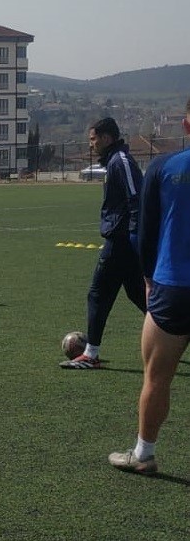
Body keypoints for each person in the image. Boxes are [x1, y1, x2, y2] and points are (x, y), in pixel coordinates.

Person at [108, 98, 190, 474]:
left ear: (185, 125)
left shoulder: (163, 167)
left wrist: (147, 279)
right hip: (171, 284)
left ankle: (143, 454)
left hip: (172, 287)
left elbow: (144, 232)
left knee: (157, 378)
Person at [61, 117, 146, 369]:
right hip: (124, 239)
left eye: (93, 139)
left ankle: (91, 355)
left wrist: (134, 237)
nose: (91, 144)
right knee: (139, 295)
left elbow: (136, 199)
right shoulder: (114, 161)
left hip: (121, 241)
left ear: (107, 138)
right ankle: (175, 335)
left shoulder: (121, 161)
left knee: (97, 294)